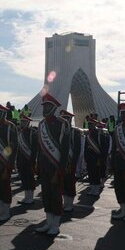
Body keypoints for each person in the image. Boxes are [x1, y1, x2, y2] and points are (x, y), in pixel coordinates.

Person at [35, 93, 70, 235]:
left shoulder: (63, 123)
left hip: (55, 167)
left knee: (55, 196)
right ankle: (48, 222)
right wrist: (38, 165)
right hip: (44, 167)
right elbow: (39, 147)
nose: (45, 108)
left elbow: (65, 150)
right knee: (46, 195)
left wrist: (60, 170)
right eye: (44, 105)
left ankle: (56, 224)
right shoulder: (41, 124)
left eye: (48, 105)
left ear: (54, 107)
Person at [0, 101, 18, 221]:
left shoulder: (10, 126)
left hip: (4, 163)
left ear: (3, 113)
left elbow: (13, 146)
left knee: (5, 188)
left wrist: (8, 165)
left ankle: (6, 212)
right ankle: (0, 211)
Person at [84, 115, 111, 196]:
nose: (89, 126)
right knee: (91, 173)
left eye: (91, 124)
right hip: (89, 158)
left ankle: (96, 190)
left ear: (94, 125)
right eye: (88, 124)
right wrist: (85, 157)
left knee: (96, 174)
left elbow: (104, 147)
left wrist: (101, 159)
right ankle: (92, 189)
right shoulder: (88, 134)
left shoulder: (99, 134)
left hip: (97, 158)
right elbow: (86, 147)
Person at [60, 110, 81, 211]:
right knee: (63, 182)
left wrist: (73, 163)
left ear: (70, 119)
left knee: (70, 182)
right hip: (62, 162)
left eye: (66, 118)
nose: (64, 120)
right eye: (63, 118)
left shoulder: (75, 132)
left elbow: (77, 149)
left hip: (71, 161)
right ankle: (65, 202)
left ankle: (70, 204)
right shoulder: (59, 131)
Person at [16, 113, 38, 204]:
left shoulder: (32, 132)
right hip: (21, 159)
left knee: (30, 178)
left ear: (28, 122)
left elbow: (34, 147)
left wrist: (33, 160)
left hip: (29, 159)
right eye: (21, 121)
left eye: (24, 121)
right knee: (24, 178)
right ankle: (26, 197)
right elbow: (18, 147)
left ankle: (30, 198)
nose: (22, 123)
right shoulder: (20, 132)